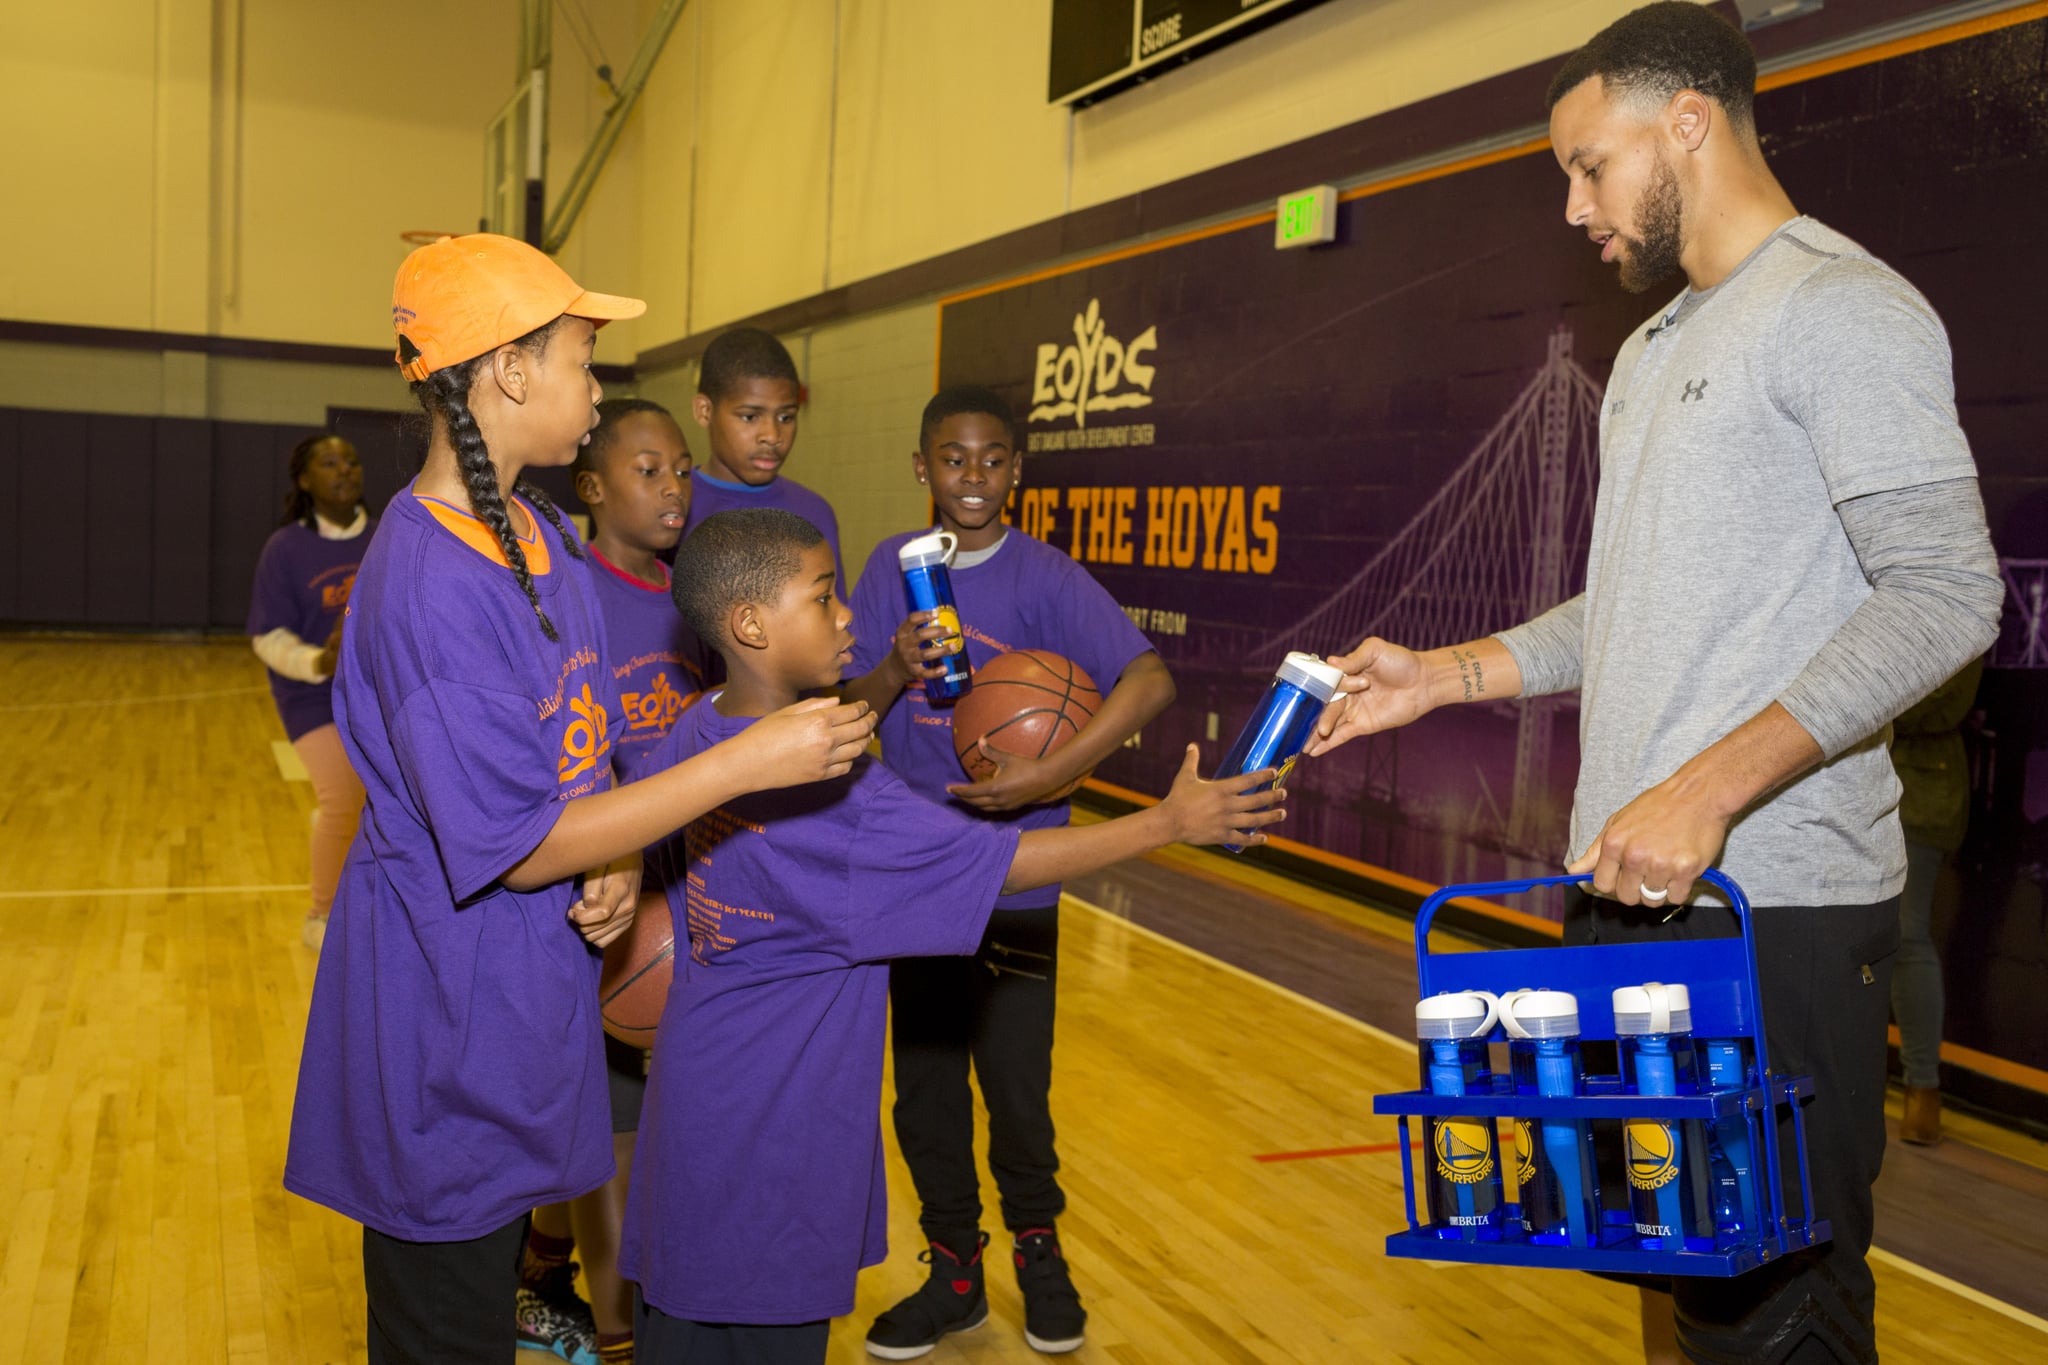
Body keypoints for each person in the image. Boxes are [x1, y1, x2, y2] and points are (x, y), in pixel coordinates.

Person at [1307, 6, 2002, 1361]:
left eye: (1587, 165)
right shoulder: (1650, 349)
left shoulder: (1841, 309)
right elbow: (1624, 607)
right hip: (1628, 895)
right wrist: (1444, 674)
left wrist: (1708, 787)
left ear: (1688, 121)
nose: (1574, 208)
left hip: (1773, 905)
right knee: (1678, 1282)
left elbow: (1948, 590)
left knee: (1780, 1306)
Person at [283, 234, 879, 1365]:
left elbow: (571, 760)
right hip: (438, 1046)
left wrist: (610, 852)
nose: (595, 389)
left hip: (514, 1013)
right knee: (447, 1337)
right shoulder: (425, 587)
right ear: (508, 372)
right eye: (580, 360)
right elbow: (515, 849)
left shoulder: (539, 537)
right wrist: (737, 765)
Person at [618, 508, 1282, 1365]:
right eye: (824, 597)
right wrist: (1165, 822)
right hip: (775, 1147)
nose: (849, 612)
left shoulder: (703, 723)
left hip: (693, 1113)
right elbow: (999, 862)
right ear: (751, 625)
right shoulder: (836, 796)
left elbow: (638, 807)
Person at [841, 387, 1175, 1359]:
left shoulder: (1047, 577)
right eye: (953, 459)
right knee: (927, 1093)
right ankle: (952, 1272)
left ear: (1017, 471)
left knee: (1017, 1089)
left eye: (993, 460)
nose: (973, 478)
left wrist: (1056, 770)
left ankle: (1038, 1253)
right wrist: (896, 669)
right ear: (920, 468)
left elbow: (1148, 678)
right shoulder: (885, 573)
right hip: (914, 873)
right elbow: (848, 707)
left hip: (1018, 878)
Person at [516, 398, 708, 1365]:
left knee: (644, 1130)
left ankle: (542, 1256)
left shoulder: (704, 597)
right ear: (591, 489)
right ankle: (621, 1332)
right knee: (614, 1136)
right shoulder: (563, 593)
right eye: (649, 470)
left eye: (682, 469)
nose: (675, 487)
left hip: (698, 903)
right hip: (598, 906)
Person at [246, 432, 374, 951]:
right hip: (311, 696)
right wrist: (319, 661)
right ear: (305, 479)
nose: (344, 469)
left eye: (351, 459)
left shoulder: (387, 535)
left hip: (375, 692)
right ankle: (322, 915)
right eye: (329, 462)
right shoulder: (285, 549)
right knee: (342, 800)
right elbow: (267, 638)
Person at [1889, 656, 1983, 1146]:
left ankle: (1922, 1086)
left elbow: (1941, 705)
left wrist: (1864, 695)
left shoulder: (1957, 589)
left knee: (1907, 935)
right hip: (1853, 790)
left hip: (1920, 796)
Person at [681, 327, 843, 585]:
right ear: (704, 411)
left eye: (786, 417)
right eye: (750, 417)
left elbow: (830, 622)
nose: (772, 435)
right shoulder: (673, 506)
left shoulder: (814, 512)